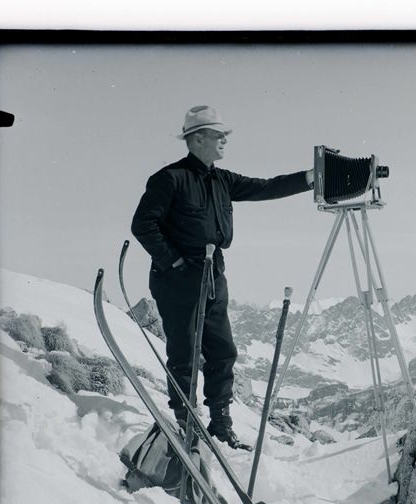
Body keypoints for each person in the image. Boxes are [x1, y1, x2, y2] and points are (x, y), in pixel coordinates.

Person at [131, 105, 314, 450]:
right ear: (197, 138)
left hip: (214, 274)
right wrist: (172, 262)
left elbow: (266, 187)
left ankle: (220, 425)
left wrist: (308, 178)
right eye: (219, 135)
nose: (225, 140)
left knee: (223, 350)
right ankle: (186, 421)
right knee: (185, 352)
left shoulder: (221, 179)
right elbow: (143, 225)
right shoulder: (169, 179)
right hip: (179, 277)